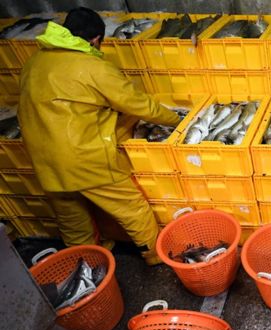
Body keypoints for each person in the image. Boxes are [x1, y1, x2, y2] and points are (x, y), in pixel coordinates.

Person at [18, 7, 181, 265]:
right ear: (95, 39)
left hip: (43, 159)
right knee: (132, 208)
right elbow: (139, 105)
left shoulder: (34, 62)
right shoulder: (93, 67)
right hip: (84, 158)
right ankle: (154, 255)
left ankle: (88, 262)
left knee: (72, 218)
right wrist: (178, 121)